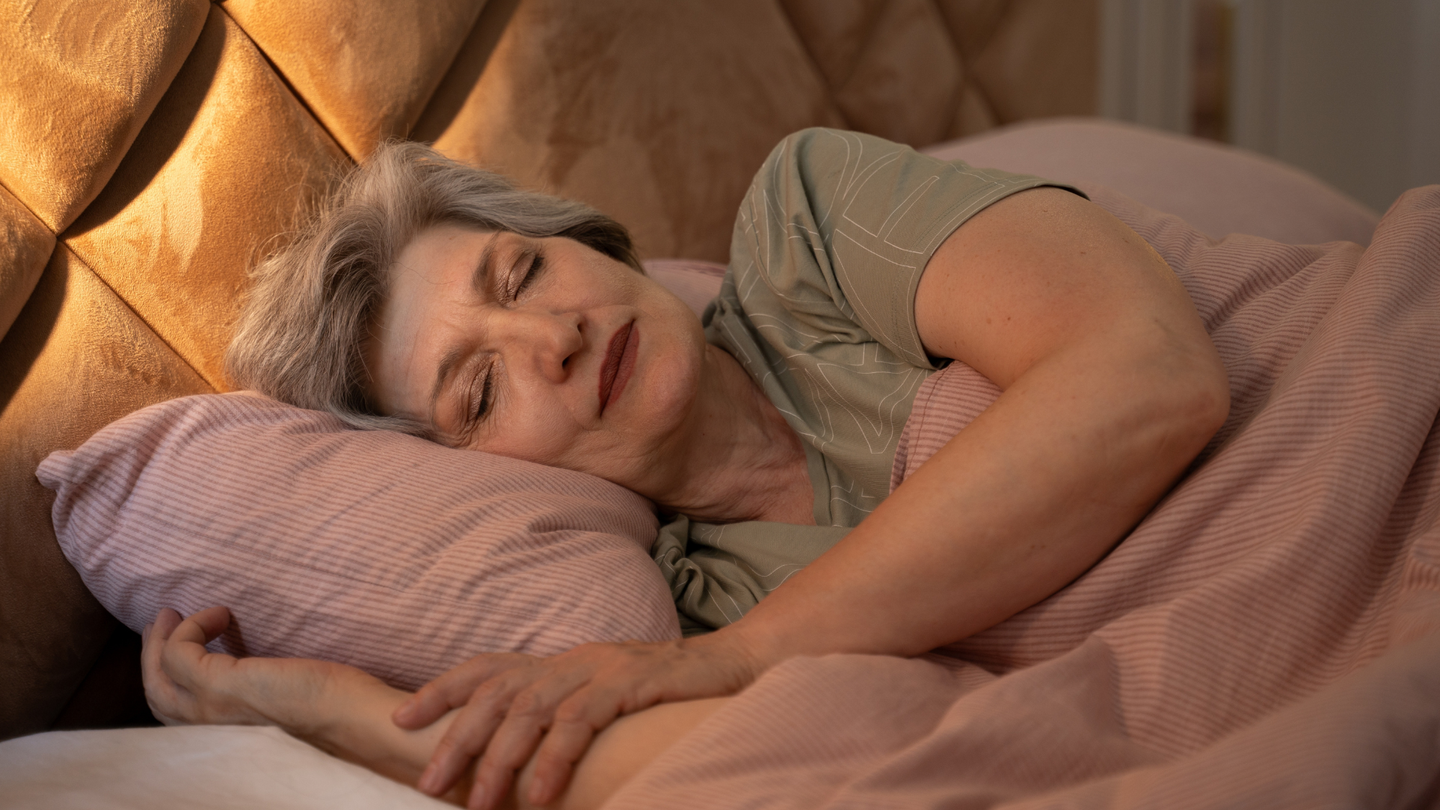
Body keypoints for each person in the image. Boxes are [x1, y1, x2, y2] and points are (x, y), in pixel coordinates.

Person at [144, 128, 1229, 810]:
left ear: (593, 247)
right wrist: (329, 712)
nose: (551, 340)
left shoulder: (810, 223)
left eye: (520, 274)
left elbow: (1152, 374)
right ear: (484, 477)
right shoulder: (680, 623)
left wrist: (748, 659)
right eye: (479, 391)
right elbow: (732, 774)